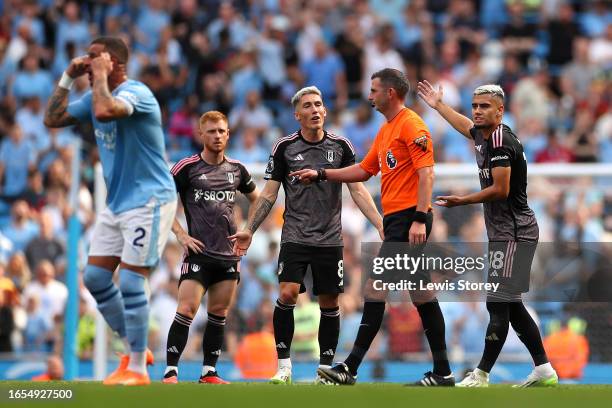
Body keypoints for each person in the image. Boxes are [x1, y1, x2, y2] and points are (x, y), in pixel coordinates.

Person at [291, 69, 453, 386]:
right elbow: (365, 171)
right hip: (398, 219)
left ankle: (350, 367)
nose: (370, 96)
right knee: (421, 295)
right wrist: (322, 174)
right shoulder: (387, 130)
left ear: (390, 93)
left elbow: (427, 174)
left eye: (374, 90)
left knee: (374, 288)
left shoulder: (412, 124)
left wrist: (420, 218)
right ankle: (443, 372)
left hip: (409, 219)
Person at [44, 36, 177, 385]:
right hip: (117, 202)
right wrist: (65, 78)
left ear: (114, 62)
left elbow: (105, 110)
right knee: (96, 278)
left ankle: (136, 369)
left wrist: (99, 77)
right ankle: (135, 349)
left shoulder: (138, 94)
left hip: (150, 199)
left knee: (132, 281)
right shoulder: (93, 95)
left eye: (94, 58)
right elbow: (52, 118)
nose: (87, 63)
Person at [230, 86, 383, 384]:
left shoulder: (341, 146)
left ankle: (324, 370)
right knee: (287, 293)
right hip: (295, 235)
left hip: (330, 238)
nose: (315, 110)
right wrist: (249, 229)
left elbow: (357, 187)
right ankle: (284, 366)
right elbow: (269, 194)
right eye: (308, 106)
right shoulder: (284, 147)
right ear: (297, 115)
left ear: (325, 111)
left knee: (329, 302)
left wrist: (378, 221)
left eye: (319, 104)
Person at [417, 80, 558, 387]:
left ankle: (481, 373)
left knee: (497, 303)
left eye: (485, 106)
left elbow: (501, 189)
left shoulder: (500, 141)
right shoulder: (484, 135)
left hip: (514, 233)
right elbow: (465, 126)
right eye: (475, 106)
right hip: (506, 232)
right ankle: (544, 368)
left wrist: (462, 201)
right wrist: (439, 106)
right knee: (512, 304)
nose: (478, 112)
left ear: (500, 110)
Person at [162, 111, 258, 384]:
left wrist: (248, 230)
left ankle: (209, 372)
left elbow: (259, 199)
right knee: (188, 309)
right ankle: (170, 371)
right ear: (201, 135)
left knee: (218, 313)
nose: (217, 136)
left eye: (222, 131)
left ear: (228, 134)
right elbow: (162, 201)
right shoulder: (186, 168)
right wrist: (180, 234)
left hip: (228, 255)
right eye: (212, 131)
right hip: (198, 253)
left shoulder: (237, 170)